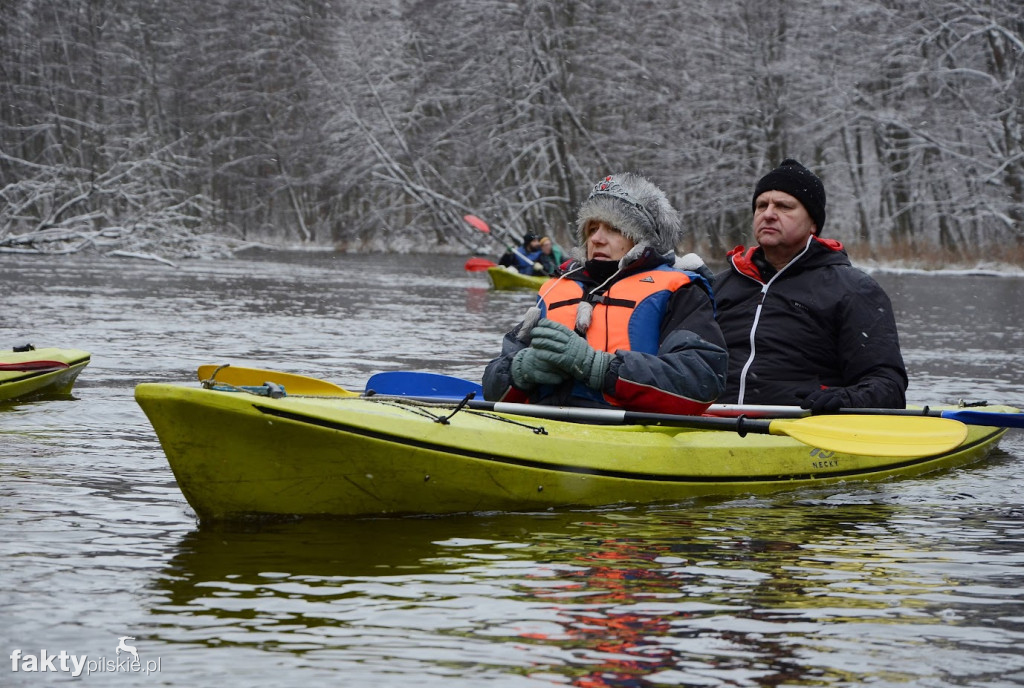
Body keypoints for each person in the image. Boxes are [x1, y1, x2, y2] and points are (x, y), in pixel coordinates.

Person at [482, 172, 728, 414]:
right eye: (591, 229)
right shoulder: (556, 288)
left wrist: (601, 368)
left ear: (641, 239)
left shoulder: (680, 291)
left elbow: (702, 380)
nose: (597, 239)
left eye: (613, 228)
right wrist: (519, 370)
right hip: (543, 426)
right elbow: (491, 387)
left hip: (629, 435)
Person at [713, 158, 908, 412]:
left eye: (784, 207)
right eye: (761, 205)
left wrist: (845, 400)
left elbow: (888, 387)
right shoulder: (717, 286)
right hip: (711, 424)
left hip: (801, 429)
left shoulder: (854, 289)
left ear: (813, 223)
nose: (768, 214)